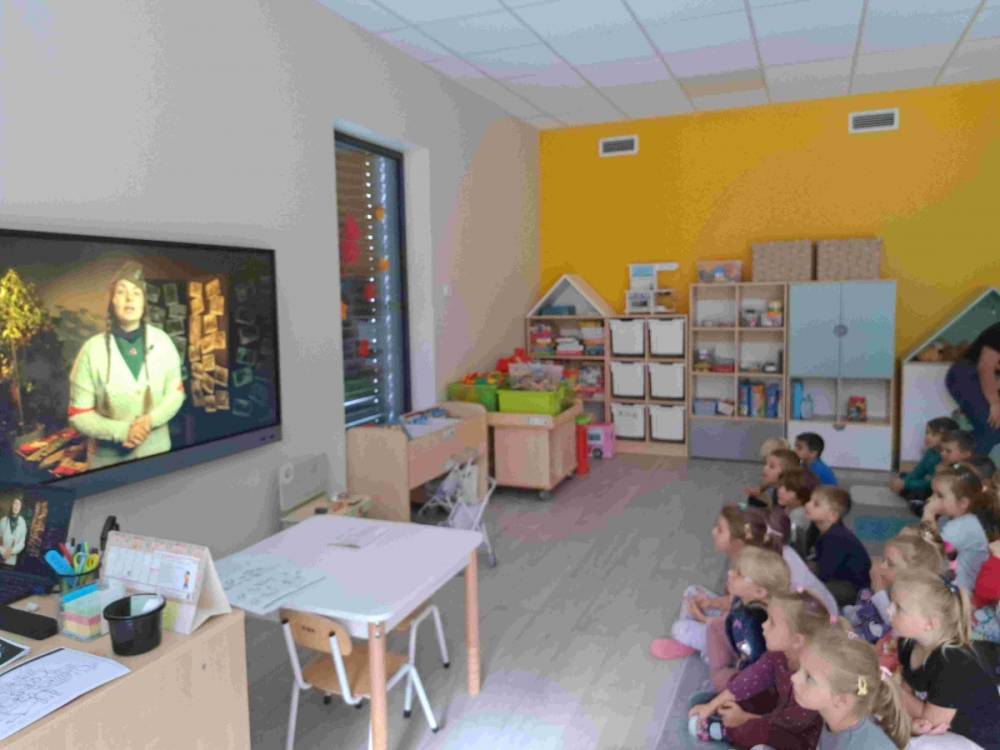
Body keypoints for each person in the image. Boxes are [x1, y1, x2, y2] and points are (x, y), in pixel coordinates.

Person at [68, 261, 185, 470]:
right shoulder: (91, 350)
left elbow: (176, 394)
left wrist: (150, 420)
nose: (129, 298)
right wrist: (122, 431)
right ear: (112, 300)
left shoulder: (163, 342)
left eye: (136, 293)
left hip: (156, 455)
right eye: (121, 292)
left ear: (144, 302)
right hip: (108, 463)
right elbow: (78, 414)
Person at [688, 591, 827, 750]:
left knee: (760, 730)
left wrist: (745, 718)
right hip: (778, 708)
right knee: (744, 686)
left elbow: (790, 723)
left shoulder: (813, 680)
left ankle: (728, 731)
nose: (763, 625)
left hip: (798, 738)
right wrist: (712, 705)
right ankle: (728, 716)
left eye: (772, 623)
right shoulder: (778, 654)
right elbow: (750, 679)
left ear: (797, 640)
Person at [890, 568, 1000, 749]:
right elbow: (907, 687)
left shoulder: (954, 662)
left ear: (929, 624)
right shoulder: (908, 642)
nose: (889, 610)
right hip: (944, 728)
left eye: (899, 608)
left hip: (979, 740)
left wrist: (890, 688)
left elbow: (931, 722)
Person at [793, 626, 911, 749]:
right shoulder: (837, 720)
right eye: (800, 668)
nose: (794, 678)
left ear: (841, 699)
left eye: (809, 677)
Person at [843, 524, 945, 644]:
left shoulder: (914, 601)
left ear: (913, 573)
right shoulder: (888, 585)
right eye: (883, 560)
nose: (882, 566)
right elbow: (861, 612)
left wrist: (878, 590)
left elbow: (892, 623)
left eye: (890, 564)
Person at [921, 463, 998, 593]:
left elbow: (930, 549)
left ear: (963, 503)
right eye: (933, 493)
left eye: (940, 496)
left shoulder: (964, 526)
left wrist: (928, 514)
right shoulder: (953, 519)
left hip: (962, 594)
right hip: (954, 583)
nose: (932, 499)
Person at [805, 487, 872, 607]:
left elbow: (825, 573)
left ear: (832, 516)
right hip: (838, 577)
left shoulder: (835, 537)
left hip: (854, 588)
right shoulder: (817, 528)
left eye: (816, 504)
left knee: (810, 591)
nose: (807, 505)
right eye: (810, 500)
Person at [946, 321, 1000, 457]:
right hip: (966, 375)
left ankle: (947, 453)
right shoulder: (998, 331)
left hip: (984, 379)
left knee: (993, 430)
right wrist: (995, 403)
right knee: (993, 428)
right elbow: (985, 368)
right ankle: (964, 468)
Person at [890, 416, 959, 508]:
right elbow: (919, 471)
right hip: (930, 482)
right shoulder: (930, 452)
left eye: (934, 435)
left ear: (947, 439)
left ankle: (921, 504)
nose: (928, 437)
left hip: (937, 486)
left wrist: (906, 484)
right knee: (904, 476)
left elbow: (931, 483)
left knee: (925, 491)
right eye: (927, 433)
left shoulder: (945, 457)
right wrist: (904, 482)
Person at [776, 468, 818, 557]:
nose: (780, 491)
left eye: (788, 490)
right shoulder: (790, 507)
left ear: (803, 495)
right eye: (780, 486)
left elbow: (791, 544)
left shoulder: (798, 515)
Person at [0, 495, 27, 566]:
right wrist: (2, 552)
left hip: (11, 561)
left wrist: (12, 551)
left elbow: (22, 543)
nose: (16, 506)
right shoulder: (3, 520)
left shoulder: (22, 522)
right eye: (15, 503)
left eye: (19, 504)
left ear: (21, 507)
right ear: (12, 505)